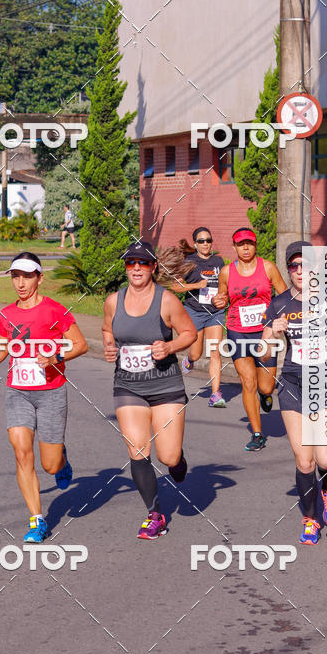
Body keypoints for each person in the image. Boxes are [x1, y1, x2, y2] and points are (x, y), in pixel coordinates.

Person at [260, 241, 327, 545]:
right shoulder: (279, 304)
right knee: (305, 462)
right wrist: (273, 333)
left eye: (305, 264)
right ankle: (311, 520)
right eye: (293, 266)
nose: (299, 271)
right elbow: (264, 354)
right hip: (294, 383)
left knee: (325, 459)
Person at [0, 252, 88, 543]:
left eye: (27, 276)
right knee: (21, 452)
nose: (21, 283)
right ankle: (37, 520)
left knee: (49, 465)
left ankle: (62, 460)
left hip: (51, 392)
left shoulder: (55, 311)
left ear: (39, 277)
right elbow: (3, 349)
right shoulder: (6, 314)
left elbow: (81, 344)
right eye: (16, 276)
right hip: (18, 391)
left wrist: (56, 356)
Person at [102, 239, 197, 540]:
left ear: (153, 267)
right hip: (128, 384)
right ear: (126, 268)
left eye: (143, 263)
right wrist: (108, 345)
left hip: (165, 383)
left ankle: (178, 460)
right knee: (138, 449)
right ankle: (155, 514)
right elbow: (107, 329)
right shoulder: (113, 301)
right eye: (131, 263)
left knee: (168, 457)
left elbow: (190, 333)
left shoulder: (166, 300)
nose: (137, 268)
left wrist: (169, 345)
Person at [213, 227, 287, 451]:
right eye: (240, 244)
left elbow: (284, 296)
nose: (245, 247)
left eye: (249, 243)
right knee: (248, 382)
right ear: (234, 247)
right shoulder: (226, 272)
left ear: (255, 245)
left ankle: (266, 396)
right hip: (238, 330)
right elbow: (222, 298)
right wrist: (218, 302)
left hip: (265, 332)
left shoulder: (268, 268)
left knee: (266, 387)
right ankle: (257, 433)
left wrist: (280, 321)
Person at [173, 227, 227, 407]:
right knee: (196, 353)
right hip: (195, 311)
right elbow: (176, 287)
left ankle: (215, 394)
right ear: (195, 244)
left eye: (208, 240)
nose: (206, 244)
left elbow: (224, 286)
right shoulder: (189, 261)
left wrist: (223, 297)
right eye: (201, 241)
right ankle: (190, 359)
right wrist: (196, 285)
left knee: (215, 352)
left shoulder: (218, 261)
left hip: (215, 312)